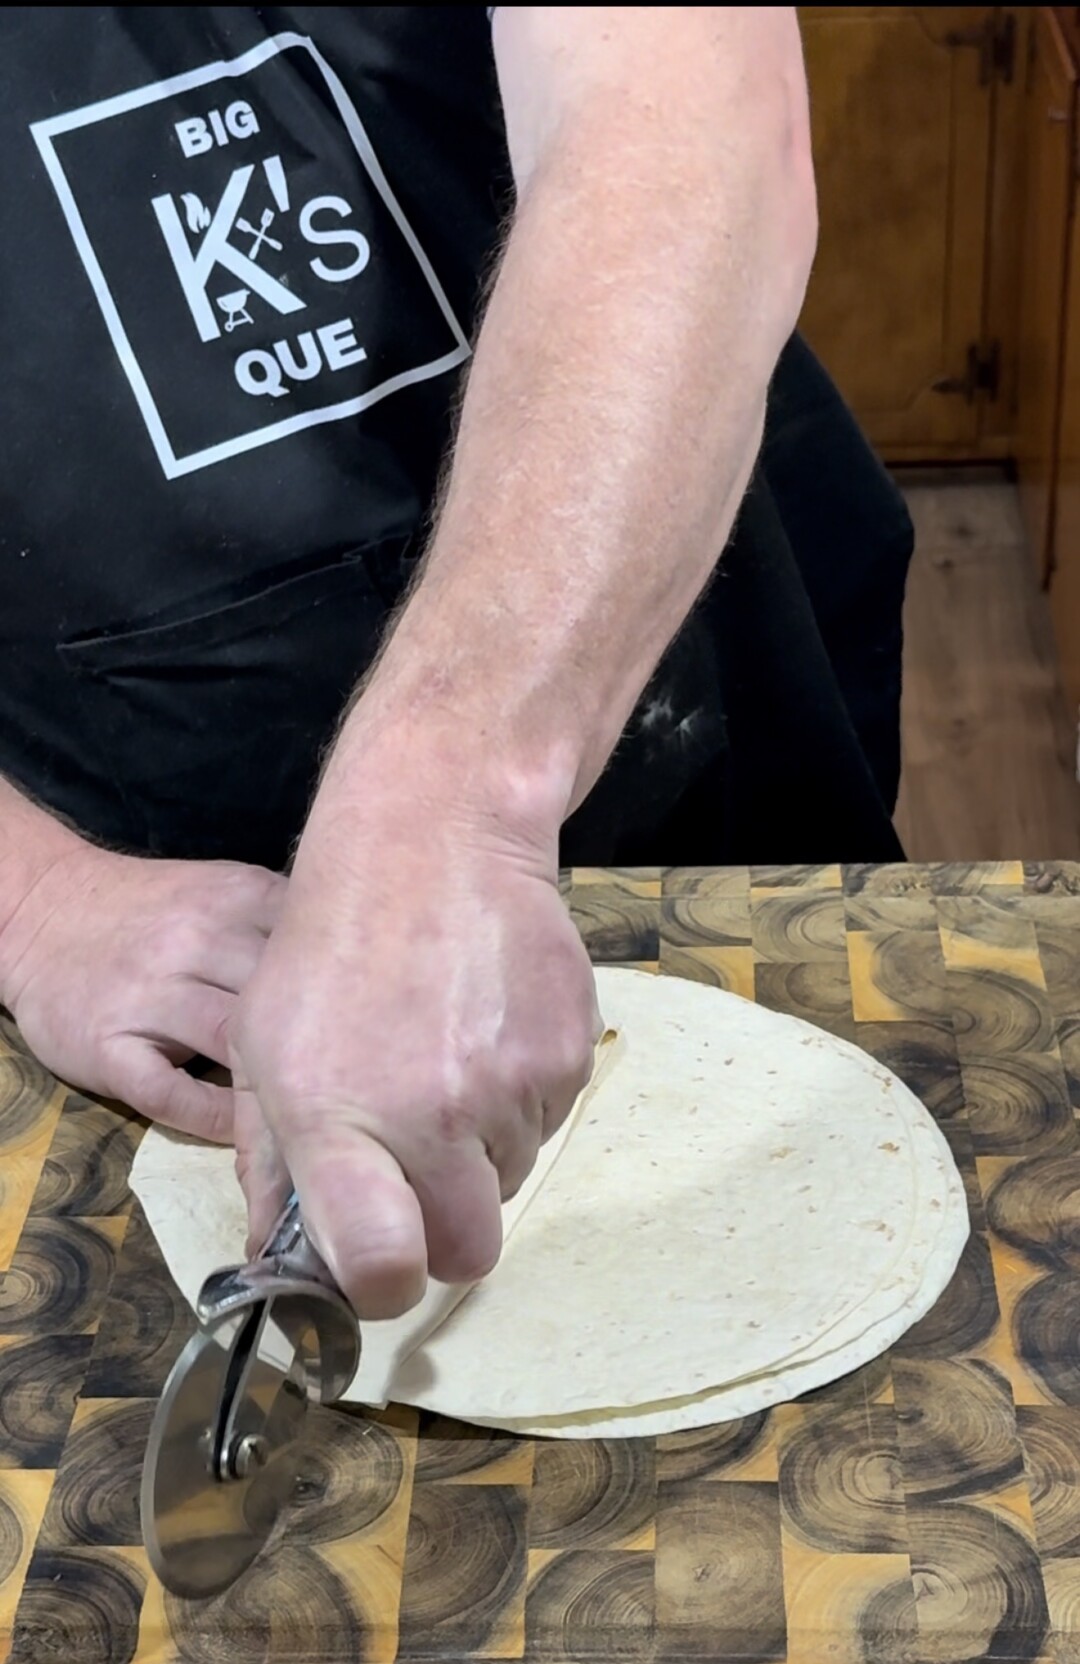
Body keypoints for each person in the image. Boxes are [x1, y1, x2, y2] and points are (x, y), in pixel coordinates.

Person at [0, 7, 910, 1321]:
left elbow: (677, 120)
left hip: (669, 792)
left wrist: (457, 786)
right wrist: (34, 903)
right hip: (121, 973)